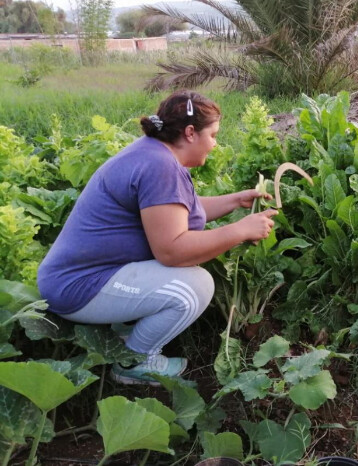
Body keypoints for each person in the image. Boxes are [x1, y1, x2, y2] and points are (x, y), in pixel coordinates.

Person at [37, 90, 278, 385]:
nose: (215, 144)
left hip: (79, 276)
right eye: (213, 135)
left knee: (190, 282)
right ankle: (135, 361)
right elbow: (172, 251)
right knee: (194, 288)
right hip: (80, 286)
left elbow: (173, 210)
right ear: (190, 133)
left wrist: (234, 201)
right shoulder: (160, 166)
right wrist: (238, 230)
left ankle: (125, 335)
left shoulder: (153, 153)